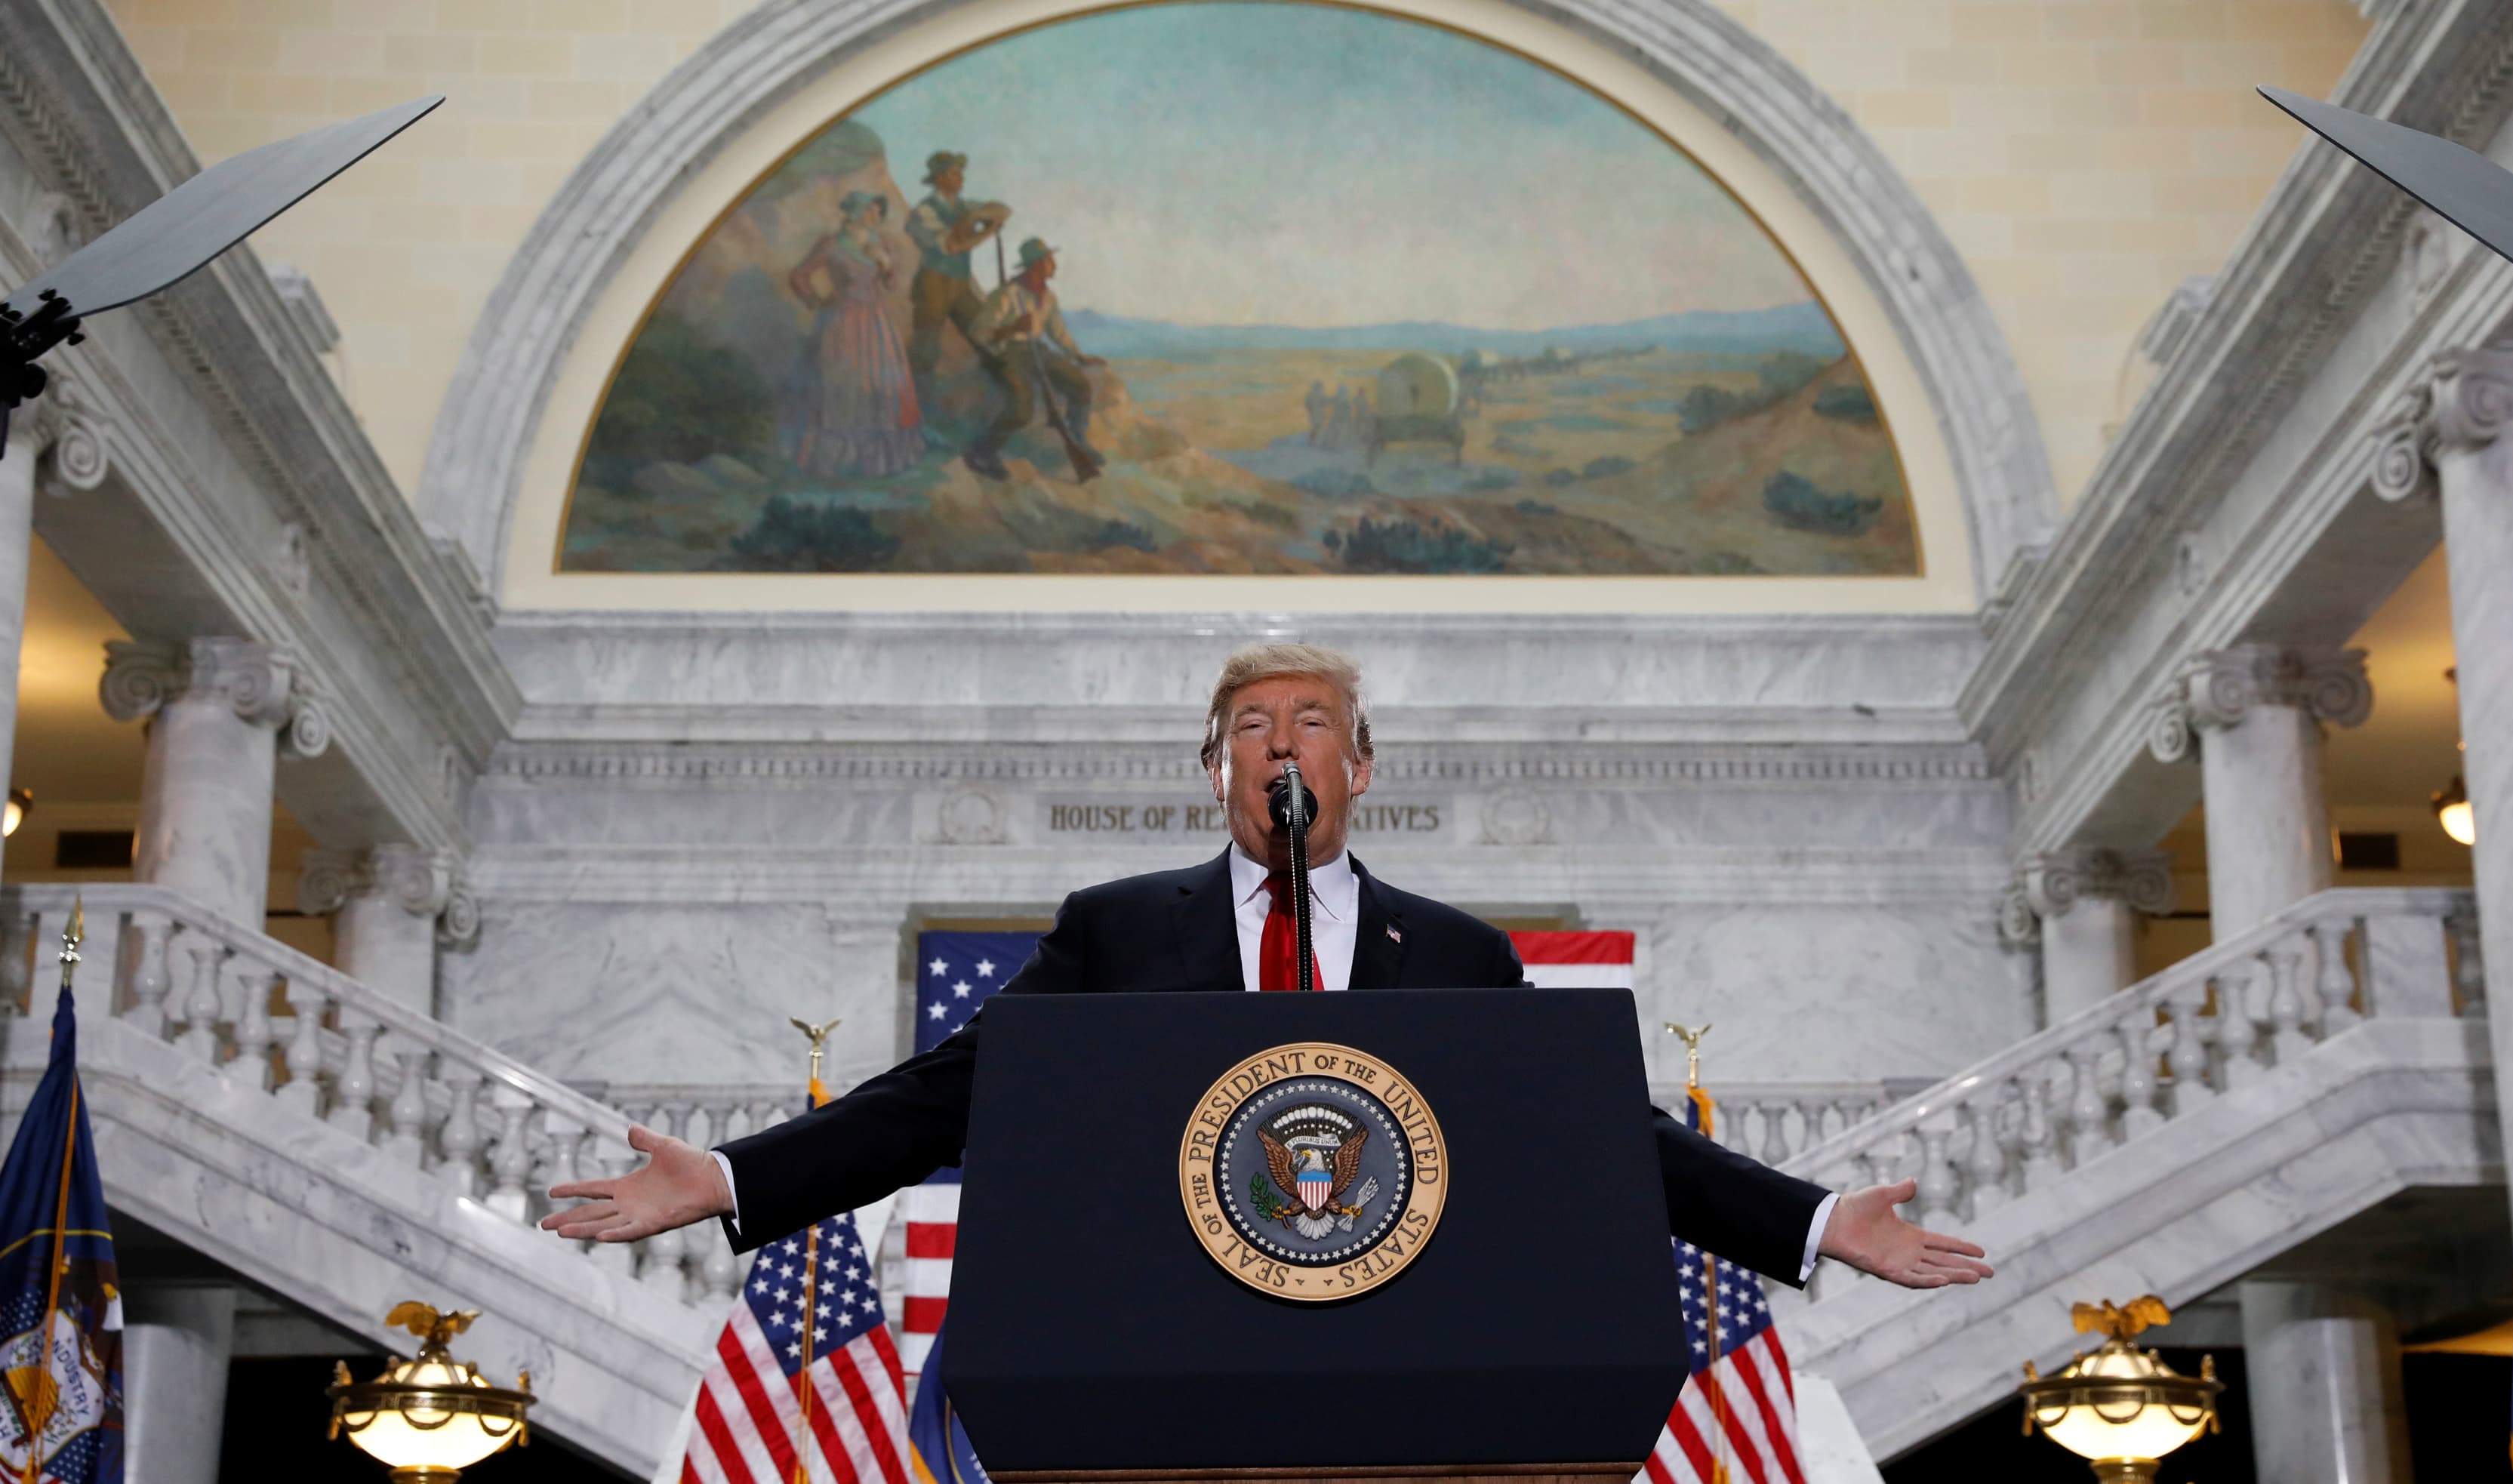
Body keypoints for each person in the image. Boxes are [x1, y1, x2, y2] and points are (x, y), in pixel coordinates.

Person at [543, 643, 1994, 1296]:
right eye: (1247, 723)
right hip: (1160, 1324)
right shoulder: (1115, 930)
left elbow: (1605, 1140)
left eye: (1309, 721)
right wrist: (730, 1178)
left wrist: (1811, 1226)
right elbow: (941, 1100)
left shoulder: (1463, 955)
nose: (1278, 744)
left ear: (1358, 767)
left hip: (1407, 1335)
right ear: (1210, 767)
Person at [779, 189, 923, 478]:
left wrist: (885, 263)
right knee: (841, 387)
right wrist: (816, 301)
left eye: (878, 212)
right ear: (856, 211)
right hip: (842, 322)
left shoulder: (882, 243)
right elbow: (799, 275)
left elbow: (892, 285)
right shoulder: (832, 244)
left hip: (876, 324)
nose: (877, 216)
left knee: (880, 387)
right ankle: (836, 463)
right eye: (870, 210)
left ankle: (874, 462)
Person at [958, 237, 1103, 482]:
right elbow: (979, 333)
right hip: (1007, 353)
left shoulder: (1047, 296)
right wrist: (1012, 328)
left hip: (1037, 350)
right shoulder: (1007, 294)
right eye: (1049, 260)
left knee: (1080, 385)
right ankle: (982, 453)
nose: (1054, 265)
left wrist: (1078, 356)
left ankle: (1078, 442)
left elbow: (1058, 332)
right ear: (1036, 265)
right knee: (1021, 408)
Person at [902, 151, 1010, 395]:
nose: (961, 178)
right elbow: (952, 246)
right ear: (939, 179)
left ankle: (999, 395)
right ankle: (920, 409)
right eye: (954, 173)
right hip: (933, 285)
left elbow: (1003, 210)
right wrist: (986, 231)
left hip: (960, 285)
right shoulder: (923, 212)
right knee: (925, 350)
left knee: (983, 333)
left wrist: (975, 216)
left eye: (961, 172)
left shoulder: (964, 206)